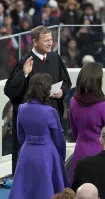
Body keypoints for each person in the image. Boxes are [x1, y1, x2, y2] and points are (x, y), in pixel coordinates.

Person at [4, 25, 72, 175]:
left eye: (51, 39)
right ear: (35, 42)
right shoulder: (24, 62)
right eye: (46, 40)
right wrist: (25, 75)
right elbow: (10, 91)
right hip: (33, 122)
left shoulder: (55, 57)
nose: (50, 43)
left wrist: (62, 92)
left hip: (52, 115)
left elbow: (67, 82)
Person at [8, 73, 69, 199]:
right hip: (46, 153)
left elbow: (20, 135)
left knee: (24, 190)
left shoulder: (22, 108)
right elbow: (59, 139)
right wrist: (60, 157)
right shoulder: (50, 111)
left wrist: (28, 145)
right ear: (46, 90)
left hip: (26, 153)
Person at [69, 62, 105, 183]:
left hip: (79, 153)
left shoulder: (73, 101)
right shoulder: (104, 106)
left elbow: (74, 132)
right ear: (97, 82)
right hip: (99, 155)